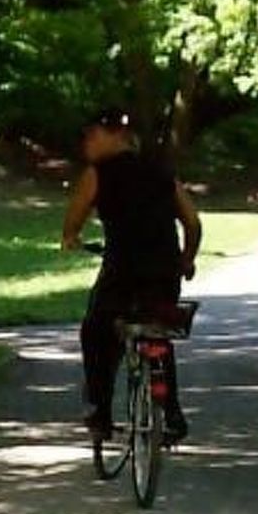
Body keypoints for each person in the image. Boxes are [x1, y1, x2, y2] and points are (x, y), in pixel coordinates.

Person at [60, 106, 201, 444]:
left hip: (122, 272)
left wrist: (72, 238)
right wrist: (186, 260)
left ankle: (100, 411)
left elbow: (72, 224)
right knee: (158, 330)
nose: (86, 144)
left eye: (92, 136)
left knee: (97, 332)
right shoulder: (161, 172)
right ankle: (172, 413)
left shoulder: (97, 174)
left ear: (115, 136)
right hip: (164, 272)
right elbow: (192, 223)